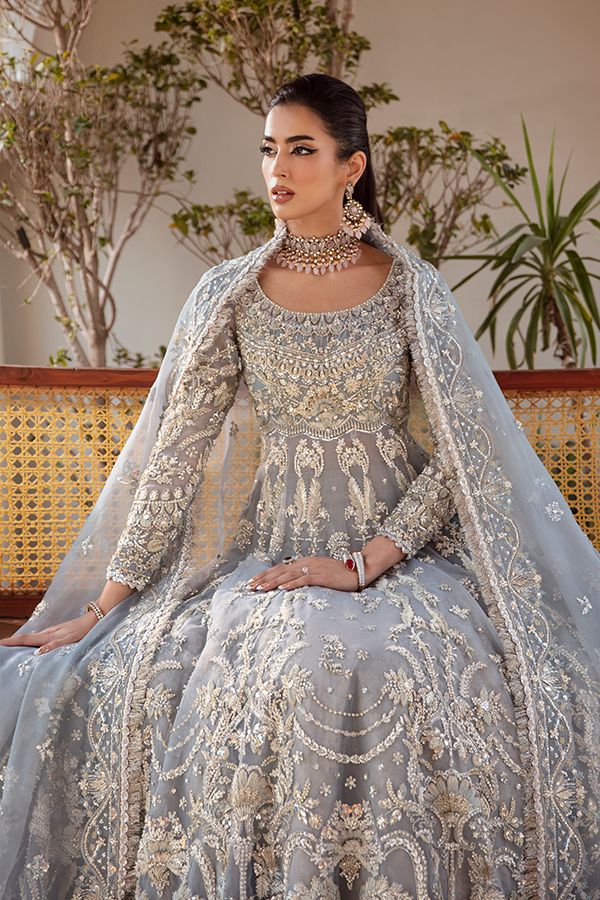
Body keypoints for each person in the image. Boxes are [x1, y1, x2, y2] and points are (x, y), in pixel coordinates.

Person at [0, 73, 599, 900]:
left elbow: (463, 459)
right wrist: (104, 605)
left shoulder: (410, 288)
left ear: (351, 165)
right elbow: (174, 458)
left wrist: (363, 563)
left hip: (400, 550)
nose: (277, 168)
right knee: (278, 662)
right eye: (269, 149)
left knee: (386, 660)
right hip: (275, 551)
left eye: (302, 149)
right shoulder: (230, 294)